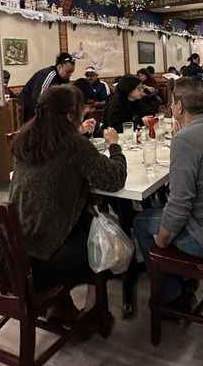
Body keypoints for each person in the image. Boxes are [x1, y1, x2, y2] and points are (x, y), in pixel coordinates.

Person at [9, 85, 126, 334]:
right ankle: (93, 312)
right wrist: (115, 147)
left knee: (83, 222)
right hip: (40, 262)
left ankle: (61, 306)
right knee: (104, 241)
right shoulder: (73, 145)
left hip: (11, 252)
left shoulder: (26, 138)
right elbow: (113, 179)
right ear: (73, 113)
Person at [133, 77, 203, 307]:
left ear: (180, 106)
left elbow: (179, 203)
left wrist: (163, 242)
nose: (171, 107)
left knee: (141, 222)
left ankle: (171, 295)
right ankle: (181, 281)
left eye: (173, 102)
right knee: (161, 214)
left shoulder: (186, 139)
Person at [20, 53, 75, 121]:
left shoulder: (64, 79)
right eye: (68, 72)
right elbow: (39, 100)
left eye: (71, 72)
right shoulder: (49, 75)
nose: (70, 75)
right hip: (29, 108)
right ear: (59, 67)